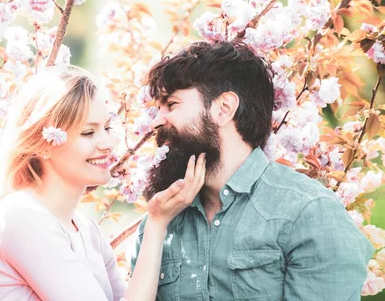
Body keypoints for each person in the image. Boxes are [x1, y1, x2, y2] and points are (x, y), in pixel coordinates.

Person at [131, 40, 375, 301]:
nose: (157, 121)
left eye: (172, 105)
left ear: (223, 109)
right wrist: (157, 223)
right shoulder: (158, 221)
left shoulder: (308, 212)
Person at [0, 65, 206, 301]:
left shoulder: (86, 230)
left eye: (107, 127)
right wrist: (156, 223)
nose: (107, 143)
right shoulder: (22, 218)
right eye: (87, 133)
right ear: (42, 143)